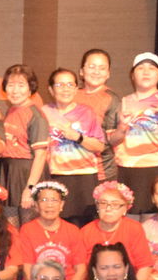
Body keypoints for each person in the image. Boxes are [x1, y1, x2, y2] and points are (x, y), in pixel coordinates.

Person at [114, 53, 158, 219]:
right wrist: (122, 127)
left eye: (151, 68)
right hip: (127, 169)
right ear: (132, 74)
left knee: (155, 220)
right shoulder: (123, 101)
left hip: (157, 168)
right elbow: (114, 140)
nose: (146, 72)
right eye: (140, 68)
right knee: (128, 220)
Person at [41, 68, 108, 225]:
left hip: (84, 178)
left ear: (77, 88)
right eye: (60, 84)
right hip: (55, 176)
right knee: (58, 225)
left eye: (70, 84)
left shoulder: (87, 112)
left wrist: (77, 137)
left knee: (84, 225)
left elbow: (100, 146)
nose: (66, 89)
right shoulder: (43, 113)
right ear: (50, 89)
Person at [10, 182, 89, 280]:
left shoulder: (73, 230)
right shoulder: (27, 230)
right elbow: (27, 269)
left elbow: (81, 269)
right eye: (44, 200)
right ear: (36, 205)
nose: (49, 205)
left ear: (62, 205)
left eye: (54, 200)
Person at [0, 65, 48, 224]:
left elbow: (41, 155)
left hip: (26, 173)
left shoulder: (35, 115)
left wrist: (30, 188)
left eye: (21, 85)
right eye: (11, 85)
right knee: (10, 226)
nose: (15, 90)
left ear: (30, 88)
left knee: (28, 225)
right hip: (8, 171)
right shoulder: (11, 110)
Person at [82, 181, 155, 280]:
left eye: (115, 204)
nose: (108, 208)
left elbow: (144, 266)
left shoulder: (134, 228)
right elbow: (78, 271)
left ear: (125, 208)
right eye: (103, 203)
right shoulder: (85, 232)